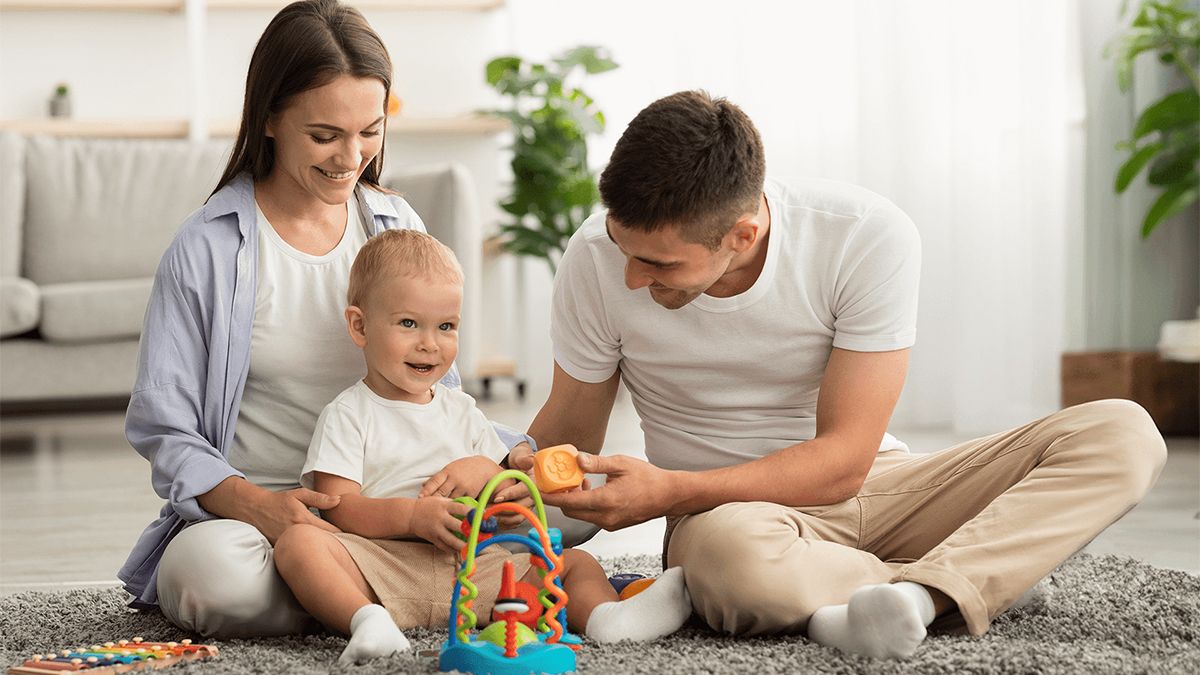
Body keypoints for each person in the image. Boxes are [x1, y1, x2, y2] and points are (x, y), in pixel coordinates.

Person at [497, 90, 1168, 659]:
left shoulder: (864, 235)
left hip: (879, 485)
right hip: (727, 521)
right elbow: (569, 431)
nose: (632, 277)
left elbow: (846, 461)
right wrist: (507, 476)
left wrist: (668, 487)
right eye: (623, 245)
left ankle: (919, 592)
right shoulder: (594, 258)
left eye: (661, 265)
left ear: (742, 234)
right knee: (733, 569)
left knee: (1123, 432)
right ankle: (968, 579)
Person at [118, 0, 534, 637]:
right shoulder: (208, 247)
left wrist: (497, 468)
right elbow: (166, 429)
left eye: (370, 131)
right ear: (269, 121)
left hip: (402, 500)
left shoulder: (396, 224)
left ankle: (351, 594)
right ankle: (390, 587)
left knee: (555, 498)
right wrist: (265, 508)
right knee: (216, 580)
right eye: (324, 136)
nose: (352, 157)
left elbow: (435, 395)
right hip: (268, 512)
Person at [271, 229, 693, 664]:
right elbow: (339, 509)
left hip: (475, 574)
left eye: (446, 327)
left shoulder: (462, 410)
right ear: (360, 326)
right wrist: (414, 517)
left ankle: (607, 617)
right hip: (386, 570)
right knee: (300, 544)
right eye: (408, 323)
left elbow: (507, 503)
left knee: (573, 562)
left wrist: (504, 484)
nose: (429, 343)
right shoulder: (349, 413)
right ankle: (367, 622)